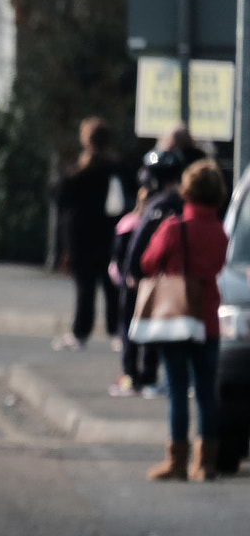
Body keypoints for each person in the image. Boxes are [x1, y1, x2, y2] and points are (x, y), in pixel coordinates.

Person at [139, 159, 230, 481]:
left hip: (176, 317)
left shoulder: (174, 229)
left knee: (178, 390)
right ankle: (206, 463)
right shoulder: (220, 232)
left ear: (187, 190)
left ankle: (177, 461)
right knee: (206, 392)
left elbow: (148, 262)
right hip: (208, 319)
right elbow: (219, 267)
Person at [109, 149, 186, 397]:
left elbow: (138, 245)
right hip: (172, 279)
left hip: (145, 279)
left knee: (132, 328)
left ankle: (132, 376)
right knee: (155, 330)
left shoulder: (158, 205)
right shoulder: (182, 204)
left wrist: (131, 272)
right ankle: (150, 377)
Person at [51, 118, 130, 351]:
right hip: (111, 233)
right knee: (111, 286)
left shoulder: (78, 171)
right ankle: (116, 332)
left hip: (81, 236)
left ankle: (80, 333)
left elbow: (58, 197)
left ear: (86, 141)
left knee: (84, 288)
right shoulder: (118, 167)